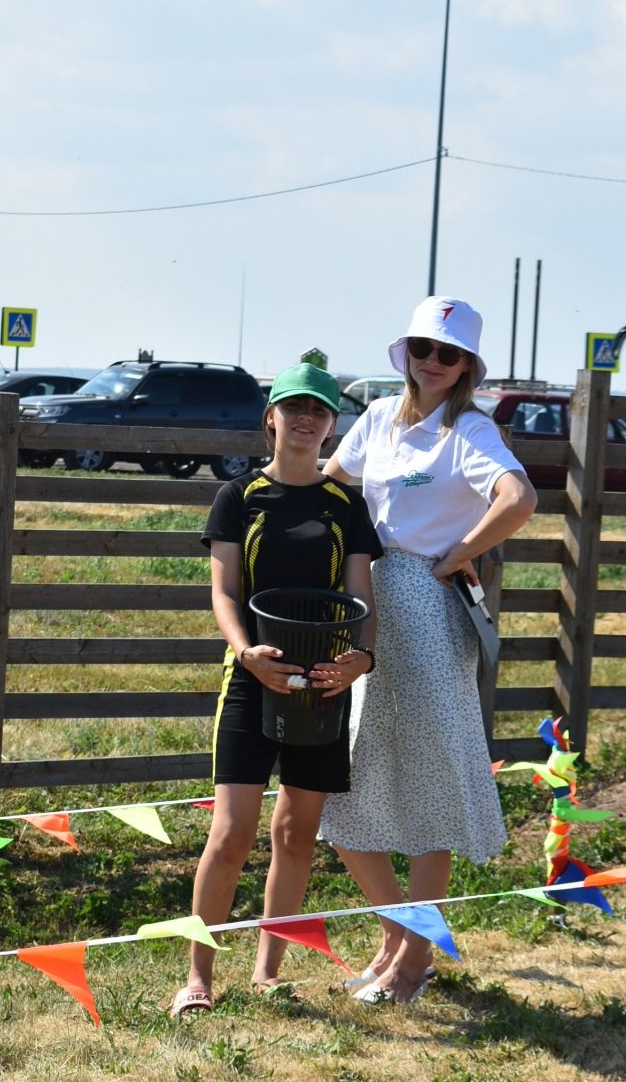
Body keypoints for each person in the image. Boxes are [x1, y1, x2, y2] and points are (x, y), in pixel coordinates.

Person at [319, 295, 537, 1004]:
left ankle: (413, 959)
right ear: (404, 352)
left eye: (448, 353)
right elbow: (332, 485)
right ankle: (396, 934)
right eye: (422, 348)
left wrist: (458, 553)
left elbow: (519, 497)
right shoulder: (378, 418)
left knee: (428, 784)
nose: (432, 362)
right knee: (348, 776)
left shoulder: (468, 429)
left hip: (425, 609)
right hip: (368, 604)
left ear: (467, 366)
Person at [170, 361, 381, 1016]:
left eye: (318, 410)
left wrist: (359, 661)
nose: (305, 419)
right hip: (250, 682)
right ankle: (197, 978)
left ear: (331, 426)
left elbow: (361, 600)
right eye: (293, 407)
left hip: (322, 686)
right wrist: (245, 653)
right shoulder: (238, 498)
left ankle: (268, 971)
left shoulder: (346, 505)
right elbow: (223, 592)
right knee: (231, 835)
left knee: (295, 834)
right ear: (271, 417)